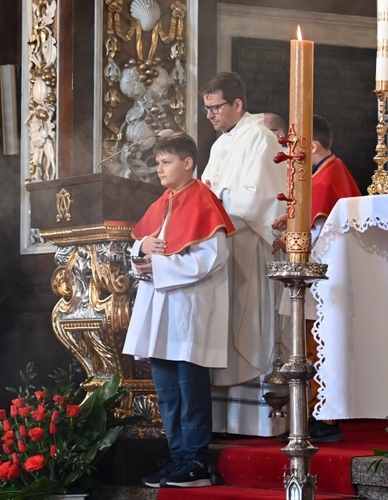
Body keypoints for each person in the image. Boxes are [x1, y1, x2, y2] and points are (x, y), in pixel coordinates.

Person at [123, 132, 236, 488]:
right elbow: (140, 249)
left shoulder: (203, 200)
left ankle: (196, 461)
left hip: (189, 309)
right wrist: (143, 247)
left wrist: (158, 265)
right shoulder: (161, 204)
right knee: (167, 391)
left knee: (190, 388)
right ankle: (176, 459)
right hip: (160, 311)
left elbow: (213, 258)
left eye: (166, 162)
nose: (159, 169)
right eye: (157, 162)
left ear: (188, 163)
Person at [199, 72, 287, 437]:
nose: (210, 115)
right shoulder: (221, 144)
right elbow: (204, 190)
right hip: (223, 247)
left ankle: (261, 423)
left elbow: (259, 197)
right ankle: (226, 423)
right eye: (206, 108)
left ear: (237, 104)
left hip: (248, 245)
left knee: (248, 327)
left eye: (216, 107)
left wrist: (216, 197)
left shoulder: (261, 138)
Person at [272, 114, 361, 443]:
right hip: (317, 279)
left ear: (314, 145)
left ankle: (321, 417)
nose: (292, 151)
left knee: (316, 348)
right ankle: (314, 414)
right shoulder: (325, 173)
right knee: (310, 346)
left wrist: (292, 235)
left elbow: (322, 231)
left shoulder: (327, 176)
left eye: (298, 145)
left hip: (321, 280)